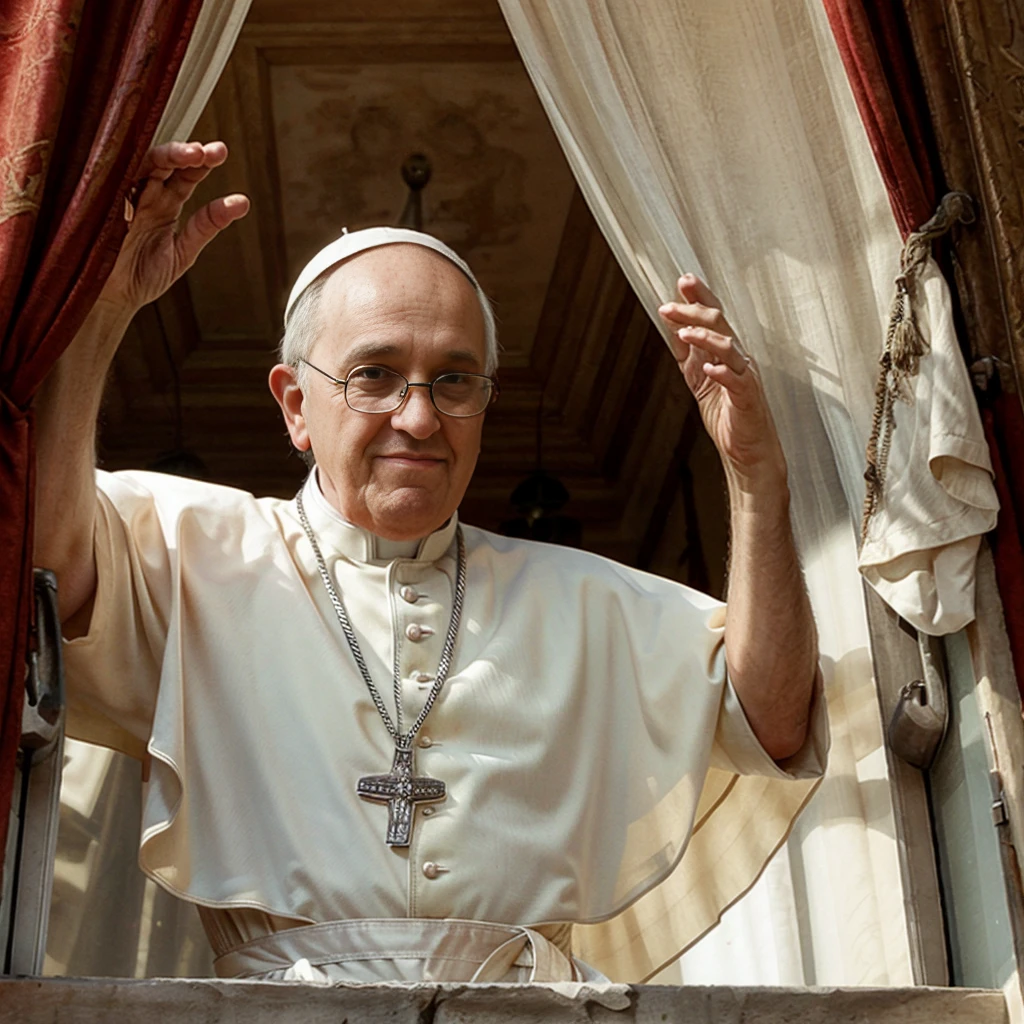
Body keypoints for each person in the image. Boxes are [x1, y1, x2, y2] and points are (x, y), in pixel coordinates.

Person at [34, 140, 826, 983]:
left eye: (455, 381)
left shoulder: (583, 600)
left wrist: (754, 479)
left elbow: (771, 718)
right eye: (375, 375)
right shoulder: (188, 549)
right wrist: (104, 311)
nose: (419, 417)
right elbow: (44, 564)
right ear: (296, 406)